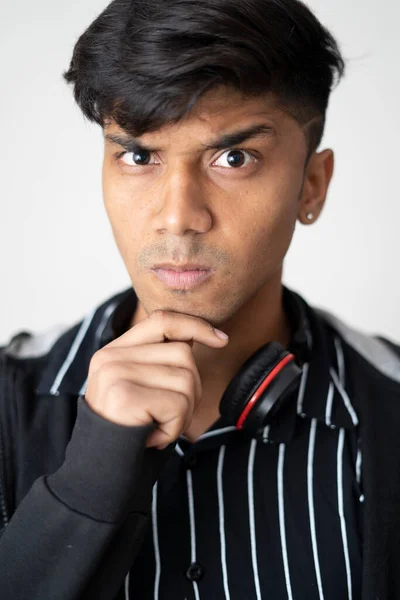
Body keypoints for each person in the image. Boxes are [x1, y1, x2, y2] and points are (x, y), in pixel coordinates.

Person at [0, 0, 399, 598]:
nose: (178, 216)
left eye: (233, 158)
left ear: (311, 186)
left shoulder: (389, 403)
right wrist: (87, 484)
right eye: (138, 156)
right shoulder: (8, 401)